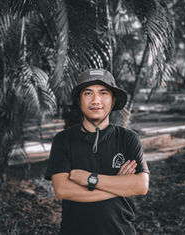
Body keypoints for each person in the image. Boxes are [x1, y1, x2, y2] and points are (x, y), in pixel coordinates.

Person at [45, 68, 150, 235]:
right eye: (88, 93)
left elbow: (141, 186)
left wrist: (90, 179)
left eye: (103, 93)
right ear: (79, 100)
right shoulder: (63, 140)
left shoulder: (128, 139)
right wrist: (119, 185)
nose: (96, 100)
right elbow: (62, 190)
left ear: (113, 100)